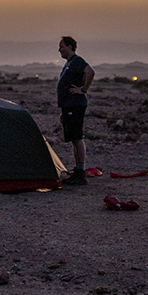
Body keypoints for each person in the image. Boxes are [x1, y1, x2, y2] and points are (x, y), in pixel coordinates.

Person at [57, 35, 95, 185]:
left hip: (75, 105)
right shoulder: (70, 63)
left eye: (62, 46)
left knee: (77, 137)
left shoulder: (77, 61)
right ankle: (78, 170)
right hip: (69, 106)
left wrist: (83, 89)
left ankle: (81, 172)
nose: (59, 49)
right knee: (73, 138)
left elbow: (90, 72)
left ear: (70, 47)